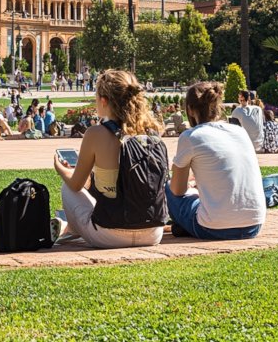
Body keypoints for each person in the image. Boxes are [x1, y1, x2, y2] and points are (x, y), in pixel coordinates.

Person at [54, 70, 167, 248]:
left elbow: (76, 185)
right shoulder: (153, 134)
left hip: (110, 234)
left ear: (104, 100)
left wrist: (60, 168)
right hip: (153, 233)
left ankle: (69, 229)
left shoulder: (96, 133)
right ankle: (69, 229)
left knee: (67, 188)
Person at [167, 82, 266, 240]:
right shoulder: (240, 132)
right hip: (253, 225)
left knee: (168, 186)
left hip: (213, 227)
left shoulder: (191, 137)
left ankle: (183, 223)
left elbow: (177, 191)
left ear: (190, 110)